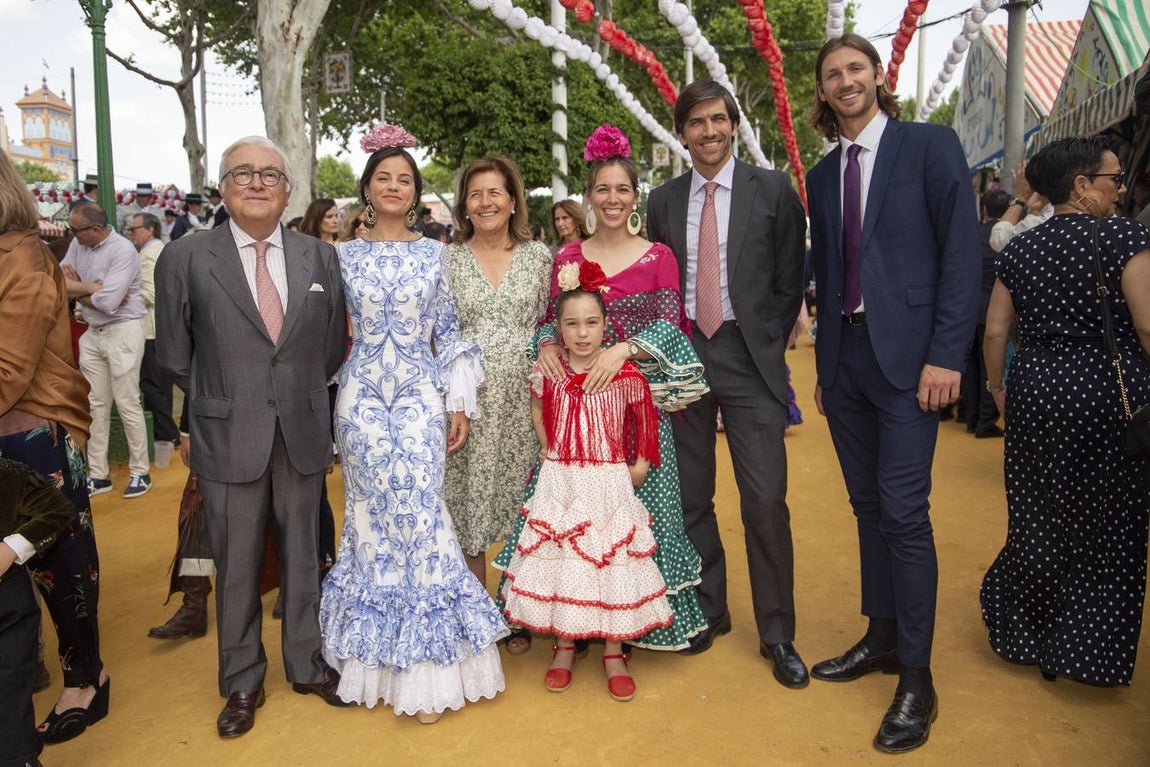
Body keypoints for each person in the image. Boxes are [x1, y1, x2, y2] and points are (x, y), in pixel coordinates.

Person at [805, 34, 981, 753]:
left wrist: (947, 355)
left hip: (914, 365)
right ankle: (880, 637)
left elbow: (962, 254)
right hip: (846, 364)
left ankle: (917, 676)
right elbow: (826, 267)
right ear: (822, 92)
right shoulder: (820, 174)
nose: (845, 82)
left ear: (878, 77)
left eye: (855, 69)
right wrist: (823, 366)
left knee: (905, 514)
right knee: (868, 506)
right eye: (832, 75)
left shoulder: (930, 146)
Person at [155, 136, 352, 739]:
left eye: (271, 174)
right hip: (226, 431)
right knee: (236, 564)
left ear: (288, 189)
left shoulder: (319, 258)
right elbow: (175, 354)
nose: (258, 183)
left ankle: (306, 662)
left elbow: (328, 348)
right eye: (243, 172)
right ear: (223, 187)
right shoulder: (185, 258)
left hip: (300, 428)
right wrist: (224, 397)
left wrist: (294, 395)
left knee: (303, 555)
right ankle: (242, 678)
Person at [497, 125, 710, 656]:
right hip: (576, 421)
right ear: (589, 196)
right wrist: (546, 343)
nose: (612, 199)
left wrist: (623, 350)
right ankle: (578, 619)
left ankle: (633, 623)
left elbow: (671, 325)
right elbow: (554, 319)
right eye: (603, 189)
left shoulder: (657, 255)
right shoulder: (567, 256)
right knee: (576, 520)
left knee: (640, 517)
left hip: (633, 413)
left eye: (623, 190)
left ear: (635, 197)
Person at [319, 124, 507, 725]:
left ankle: (431, 674)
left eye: (405, 178)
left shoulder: (436, 254)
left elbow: (448, 332)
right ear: (367, 190)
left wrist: (458, 404)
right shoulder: (339, 256)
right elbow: (325, 337)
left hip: (422, 404)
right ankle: (377, 668)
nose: (394, 186)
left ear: (416, 191)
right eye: (384, 178)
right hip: (362, 406)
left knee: (424, 520)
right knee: (371, 525)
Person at [646, 81, 808, 686]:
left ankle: (777, 632)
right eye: (696, 122)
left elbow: (791, 278)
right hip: (684, 359)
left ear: (733, 125)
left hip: (749, 359)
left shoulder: (774, 190)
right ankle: (710, 611)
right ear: (682, 131)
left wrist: (765, 339)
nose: (708, 131)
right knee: (691, 498)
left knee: (764, 499)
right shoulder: (662, 201)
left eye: (718, 120)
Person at [981, 136, 1150, 687]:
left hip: (1036, 388)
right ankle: (1081, 651)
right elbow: (1146, 325)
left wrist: (999, 387)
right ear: (1081, 185)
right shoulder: (1125, 237)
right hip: (1105, 389)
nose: (1120, 189)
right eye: (1114, 179)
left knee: (1038, 510)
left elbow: (997, 330)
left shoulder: (1020, 248)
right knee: (1109, 519)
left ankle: (1027, 632)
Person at [500, 266, 671, 702]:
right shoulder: (549, 372)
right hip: (562, 480)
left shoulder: (625, 375)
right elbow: (539, 410)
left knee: (608, 560)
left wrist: (639, 464)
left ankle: (614, 651)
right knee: (563, 561)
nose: (582, 333)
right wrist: (547, 445)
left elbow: (644, 422)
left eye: (591, 323)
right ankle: (564, 646)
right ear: (558, 329)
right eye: (572, 324)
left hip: (609, 484)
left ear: (606, 325)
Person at [0, 151, 108, 746]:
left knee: (60, 565)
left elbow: (10, 368)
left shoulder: (22, 255)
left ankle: (86, 679)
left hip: (34, 433)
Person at [445, 155, 552, 593]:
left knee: (525, 497)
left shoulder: (539, 257)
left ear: (513, 202)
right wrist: (456, 401)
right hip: (468, 400)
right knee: (469, 498)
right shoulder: (447, 259)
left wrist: (545, 350)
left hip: (525, 401)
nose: (485, 202)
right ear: (464, 207)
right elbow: (442, 331)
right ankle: (477, 607)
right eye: (475, 194)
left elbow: (549, 321)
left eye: (495, 192)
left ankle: (518, 604)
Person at [62, 202, 152, 499]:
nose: (72, 235)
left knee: (127, 403)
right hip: (93, 331)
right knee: (94, 405)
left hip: (123, 330)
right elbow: (60, 282)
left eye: (76, 230)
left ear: (96, 229)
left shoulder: (122, 250)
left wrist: (79, 288)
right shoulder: (78, 244)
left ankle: (141, 471)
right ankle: (98, 475)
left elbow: (109, 302)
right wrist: (91, 287)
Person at [0, 458, 77, 767]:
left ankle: (20, 757)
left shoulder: (7, 475)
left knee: (9, 690)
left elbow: (58, 510)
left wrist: (11, 548)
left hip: (8, 612)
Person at [127, 213, 180, 449]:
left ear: (149, 230)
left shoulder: (151, 254)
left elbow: (151, 293)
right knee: (160, 385)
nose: (131, 234)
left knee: (153, 385)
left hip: (151, 329)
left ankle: (165, 433)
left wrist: (117, 294)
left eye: (134, 229)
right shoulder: (156, 251)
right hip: (159, 329)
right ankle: (166, 432)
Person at [962, 189, 1010, 438]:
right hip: (996, 311)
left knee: (970, 367)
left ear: (984, 209)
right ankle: (985, 421)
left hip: (970, 308)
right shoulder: (1009, 237)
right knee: (991, 367)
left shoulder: (973, 234)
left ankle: (970, 417)